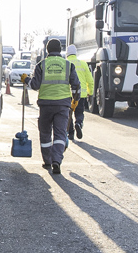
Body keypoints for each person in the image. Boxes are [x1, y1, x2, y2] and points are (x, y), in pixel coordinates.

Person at [27, 37, 80, 175]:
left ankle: (48, 161)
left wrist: (26, 79)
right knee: (60, 134)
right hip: (63, 105)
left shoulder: (41, 65)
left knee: (45, 133)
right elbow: (76, 86)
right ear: (61, 50)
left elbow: (35, 85)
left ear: (47, 50)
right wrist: (75, 100)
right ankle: (57, 160)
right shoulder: (68, 65)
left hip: (45, 105)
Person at [65, 45, 94, 141]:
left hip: (68, 94)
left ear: (67, 53)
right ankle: (79, 123)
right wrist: (90, 92)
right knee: (79, 112)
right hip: (81, 94)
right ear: (76, 53)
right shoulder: (83, 64)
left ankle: (71, 133)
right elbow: (90, 80)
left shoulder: (65, 64)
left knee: (69, 114)